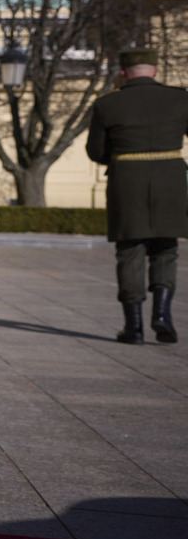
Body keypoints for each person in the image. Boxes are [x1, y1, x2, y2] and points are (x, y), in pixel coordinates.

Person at [85, 49, 188, 344]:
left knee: (130, 251)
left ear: (123, 72)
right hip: (170, 178)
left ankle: (134, 327)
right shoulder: (181, 99)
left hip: (127, 179)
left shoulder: (107, 104)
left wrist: (121, 158)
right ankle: (162, 315)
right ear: (155, 71)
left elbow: (95, 151)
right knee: (166, 247)